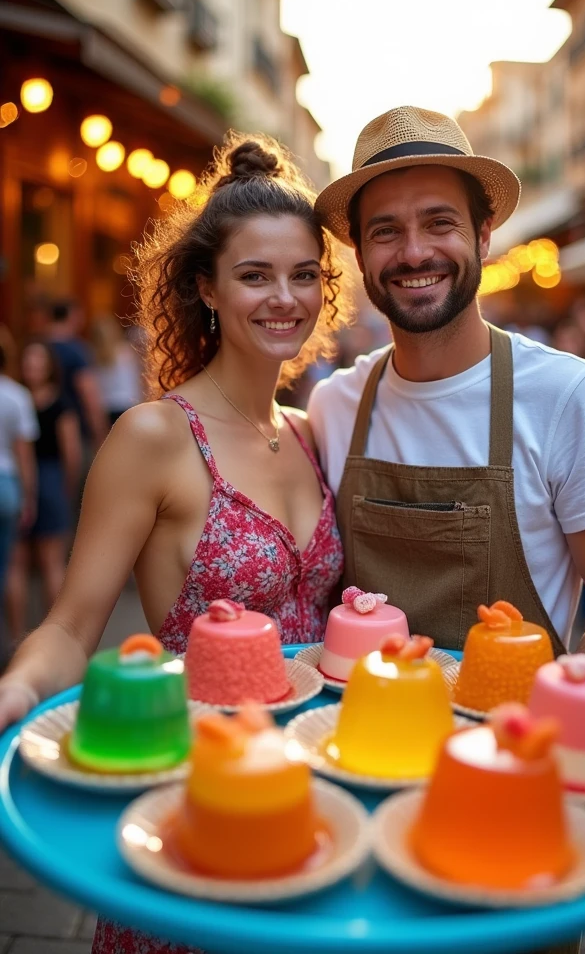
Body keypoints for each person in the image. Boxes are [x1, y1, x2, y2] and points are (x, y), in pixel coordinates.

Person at [0, 133, 348, 953]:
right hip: (193, 812)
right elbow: (71, 625)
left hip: (311, 807)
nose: (283, 298)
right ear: (206, 288)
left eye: (304, 275)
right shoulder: (155, 436)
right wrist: (16, 688)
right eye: (255, 275)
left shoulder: (310, 431)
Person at [309, 106, 585, 677]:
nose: (414, 252)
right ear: (359, 254)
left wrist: (574, 692)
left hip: (513, 744)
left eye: (439, 223)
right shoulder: (334, 406)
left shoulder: (568, 396)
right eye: (385, 230)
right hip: (358, 744)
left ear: (483, 234)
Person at [5, 341, 81, 636]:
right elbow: (72, 453)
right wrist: (67, 487)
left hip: (17, 479)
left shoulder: (14, 398)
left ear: (49, 366)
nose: (32, 367)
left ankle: (17, 636)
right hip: (50, 479)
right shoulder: (59, 403)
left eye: (37, 361)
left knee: (18, 563)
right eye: (29, 361)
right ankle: (55, 633)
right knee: (51, 562)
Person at [0, 333, 38, 652]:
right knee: (11, 564)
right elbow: (24, 454)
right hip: (7, 484)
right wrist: (29, 497)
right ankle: (14, 640)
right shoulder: (16, 396)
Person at [45, 299, 109, 448]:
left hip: (43, 432)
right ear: (72, 315)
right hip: (76, 432)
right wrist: (100, 435)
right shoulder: (77, 350)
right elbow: (89, 395)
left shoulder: (39, 346)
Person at [90, 314, 143, 425]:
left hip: (107, 406)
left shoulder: (92, 356)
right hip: (129, 402)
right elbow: (138, 377)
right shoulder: (127, 351)